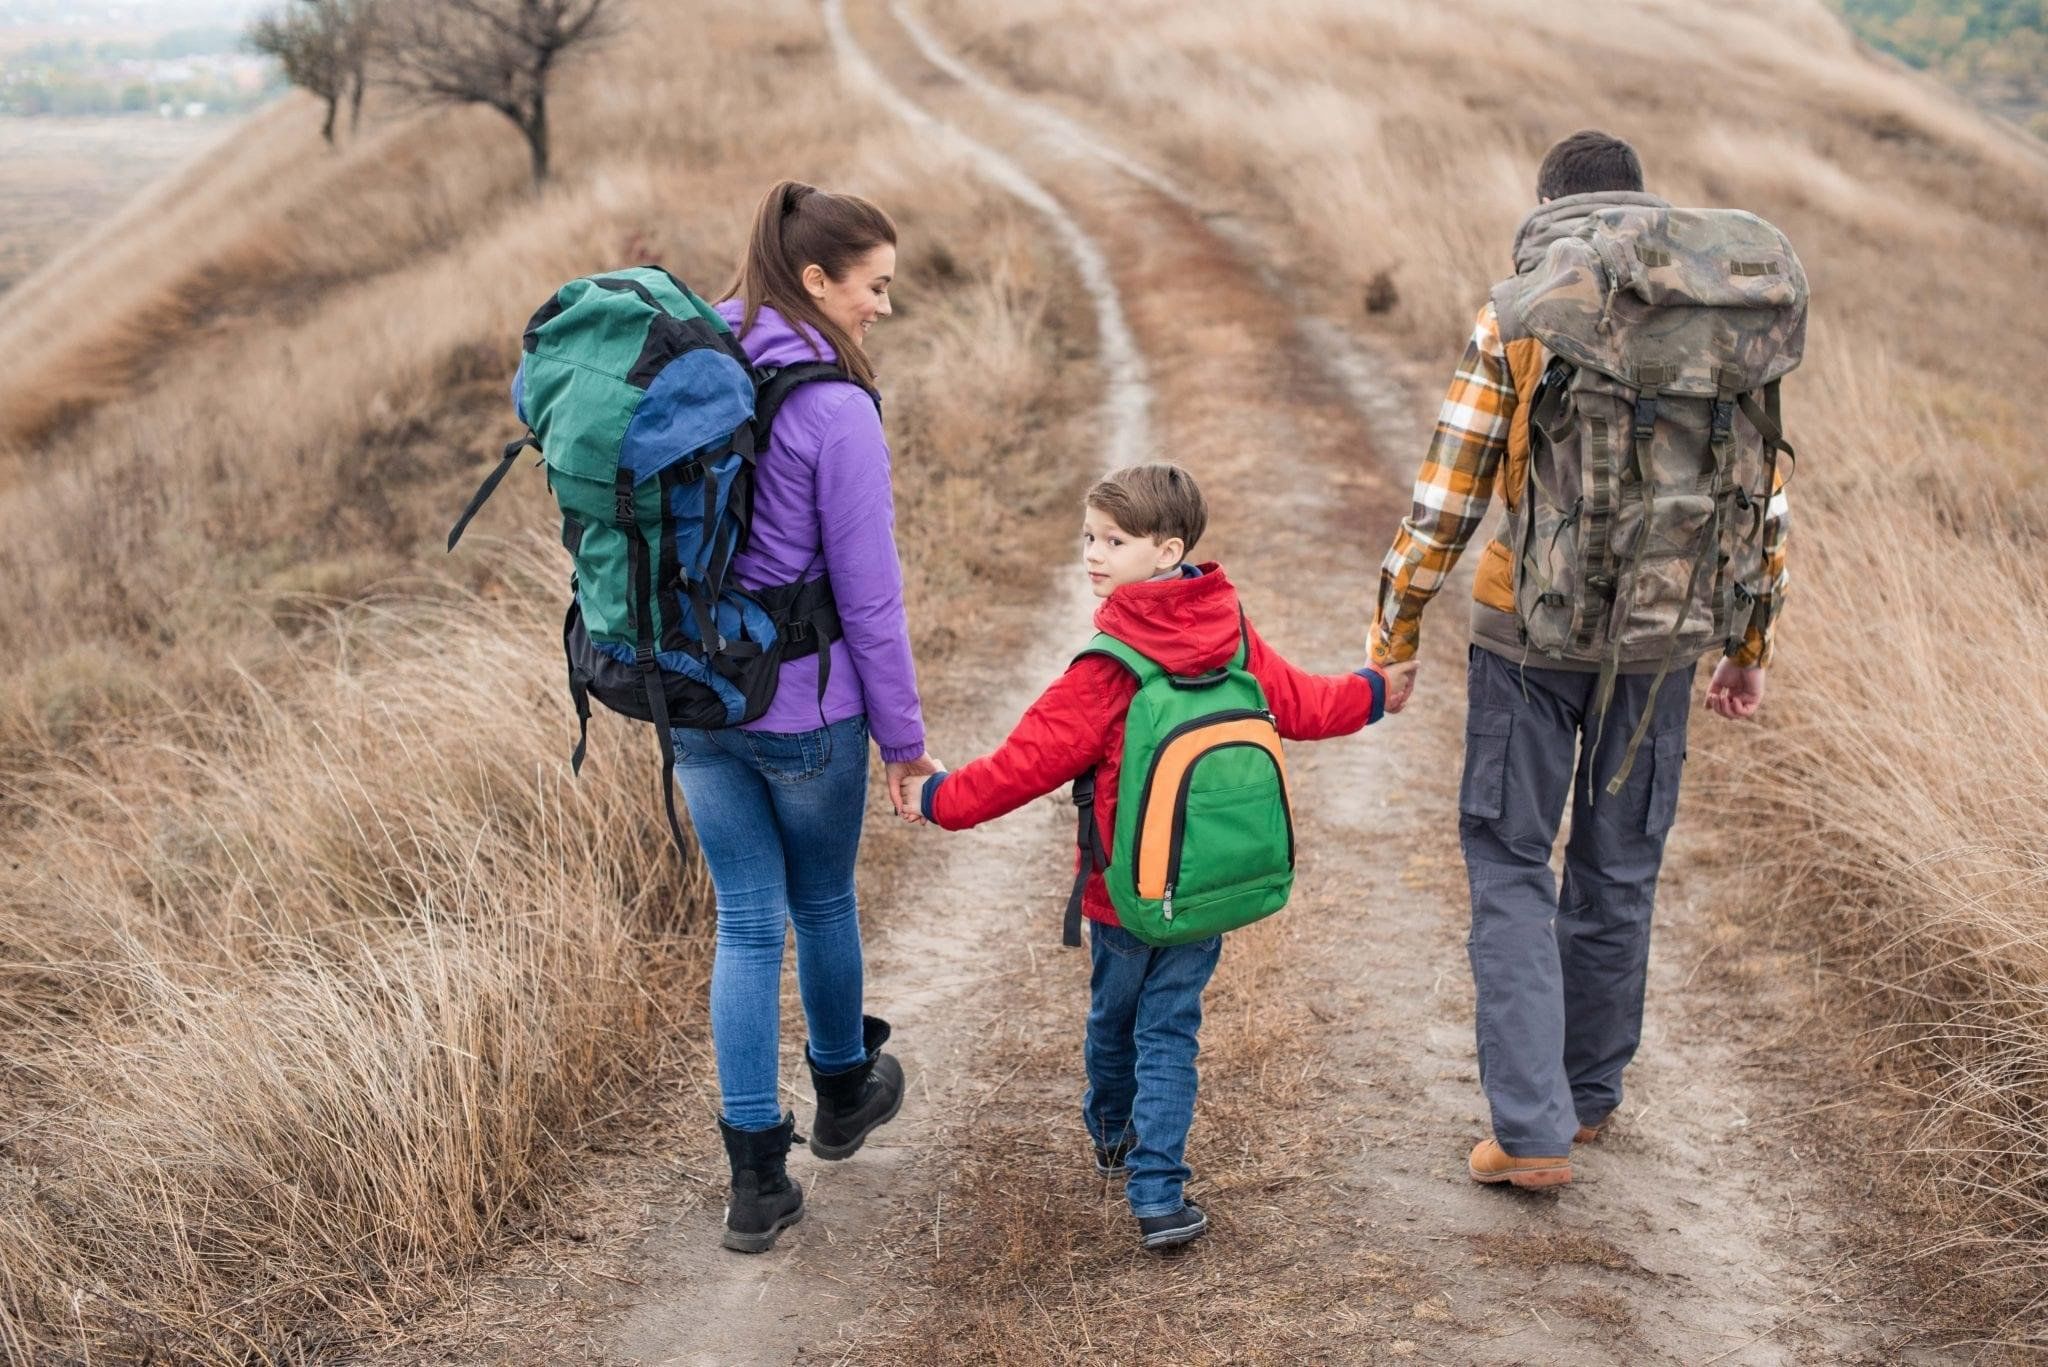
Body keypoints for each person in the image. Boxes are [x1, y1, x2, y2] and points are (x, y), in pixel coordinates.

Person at [1368, 131, 1795, 1188]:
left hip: (1527, 634)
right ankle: (1587, 1095)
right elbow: (1762, 489)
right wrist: (1746, 640)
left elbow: (1447, 491)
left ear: (1546, 201)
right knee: (1618, 865)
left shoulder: (1522, 309)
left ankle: (1527, 1128)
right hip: (1662, 636)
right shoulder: (1716, 311)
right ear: (1637, 201)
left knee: (1510, 861)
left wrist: (1395, 630)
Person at [918, 464, 1387, 1248]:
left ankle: (1114, 1137)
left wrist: (938, 798)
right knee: (1170, 1028)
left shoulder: (1109, 668)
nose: (1094, 555)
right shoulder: (1229, 634)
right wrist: (1372, 692)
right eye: (1090, 538)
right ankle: (1160, 1194)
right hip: (1206, 886)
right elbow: (1302, 703)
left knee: (1117, 1017)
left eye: (1115, 540)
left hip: (1123, 894)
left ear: (1169, 550)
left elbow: (1019, 766)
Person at [683, 179, 941, 1252]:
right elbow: (870, 600)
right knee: (821, 899)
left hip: (694, 696)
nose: (883, 305)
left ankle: (755, 1180)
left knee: (745, 920)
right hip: (803, 710)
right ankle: (842, 1094)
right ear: (818, 279)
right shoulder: (832, 408)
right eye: (873, 286)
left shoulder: (697, 357)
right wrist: (905, 742)